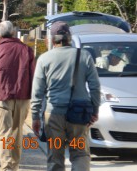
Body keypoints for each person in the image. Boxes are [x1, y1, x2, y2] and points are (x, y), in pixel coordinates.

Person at [31, 21, 101, 171]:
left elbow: (37, 91)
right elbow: (95, 86)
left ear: (51, 39)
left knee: (55, 157)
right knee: (79, 154)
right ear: (69, 37)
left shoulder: (44, 59)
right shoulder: (84, 56)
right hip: (79, 116)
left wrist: (35, 116)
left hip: (54, 116)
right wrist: (94, 110)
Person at [0, 20, 35, 171]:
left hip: (2, 96)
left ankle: (7, 166)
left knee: (5, 134)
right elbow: (33, 74)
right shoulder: (26, 50)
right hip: (22, 96)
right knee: (17, 132)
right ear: (14, 32)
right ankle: (14, 166)